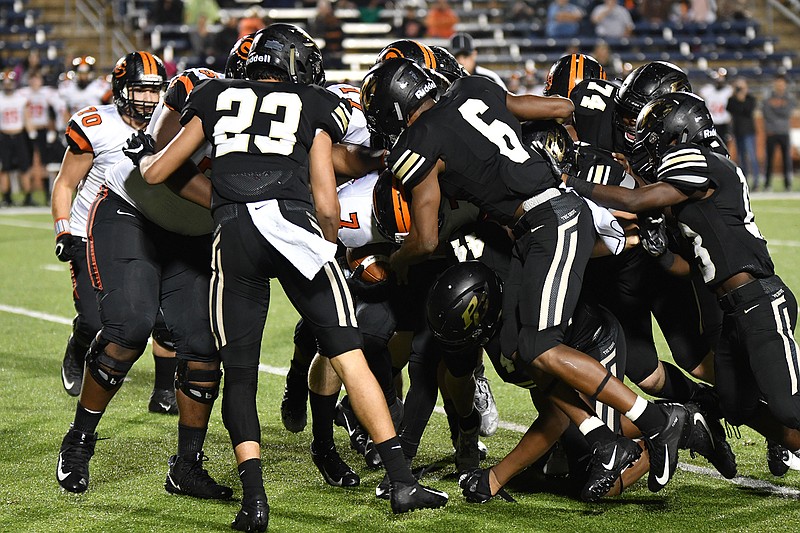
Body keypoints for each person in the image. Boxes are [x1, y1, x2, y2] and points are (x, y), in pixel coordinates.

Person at [128, 24, 448, 531]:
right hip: (294, 229)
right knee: (348, 354)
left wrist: (220, 197)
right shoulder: (314, 101)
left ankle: (254, 502)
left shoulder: (214, 92)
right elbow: (325, 197)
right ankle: (401, 481)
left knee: (241, 371)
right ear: (295, 63)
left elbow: (154, 171)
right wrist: (330, 246)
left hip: (234, 233)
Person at [361, 57, 700, 495]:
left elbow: (425, 240)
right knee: (523, 349)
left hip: (548, 221)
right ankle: (604, 439)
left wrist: (399, 262)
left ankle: (655, 422)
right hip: (535, 225)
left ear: (392, 109)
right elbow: (559, 109)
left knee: (540, 347)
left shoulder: (417, 142)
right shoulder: (472, 90)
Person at [566, 91, 800, 476]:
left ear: (681, 130)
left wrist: (570, 181)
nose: (650, 139)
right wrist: (659, 253)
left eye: (658, 131)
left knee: (788, 406)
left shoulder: (701, 158)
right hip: (732, 311)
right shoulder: (693, 183)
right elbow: (686, 268)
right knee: (736, 403)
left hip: (758, 299)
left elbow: (638, 199)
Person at [54, 53, 233, 502]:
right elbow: (161, 167)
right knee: (127, 325)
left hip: (188, 228)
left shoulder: (275, 116)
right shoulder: (194, 96)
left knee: (203, 343)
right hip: (130, 208)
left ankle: (187, 467)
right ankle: (79, 440)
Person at [0, 71, 33, 206]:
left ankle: (28, 197)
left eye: (10, 82)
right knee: (4, 168)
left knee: (24, 168)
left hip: (19, 136)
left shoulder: (21, 98)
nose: (8, 85)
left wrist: (32, 134)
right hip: (4, 136)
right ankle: (6, 197)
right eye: (5, 83)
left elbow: (26, 117)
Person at [726, 77, 761, 190]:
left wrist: (742, 98)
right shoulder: (732, 99)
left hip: (749, 131)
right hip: (738, 131)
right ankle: (745, 180)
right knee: (741, 158)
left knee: (752, 157)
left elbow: (747, 110)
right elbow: (730, 108)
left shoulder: (750, 98)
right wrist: (736, 97)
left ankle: (756, 181)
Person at [762, 74, 796, 192]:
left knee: (786, 159)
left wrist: (777, 111)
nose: (780, 85)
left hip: (784, 131)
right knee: (769, 159)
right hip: (771, 131)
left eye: (782, 83)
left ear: (785, 85)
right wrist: (779, 113)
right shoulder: (768, 96)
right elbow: (766, 112)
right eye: (778, 83)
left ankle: (788, 184)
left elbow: (787, 112)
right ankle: (767, 184)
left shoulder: (789, 97)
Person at [699, 68, 733, 145]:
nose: (719, 80)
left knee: (724, 145)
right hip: (711, 122)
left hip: (723, 123)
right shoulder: (707, 89)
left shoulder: (728, 90)